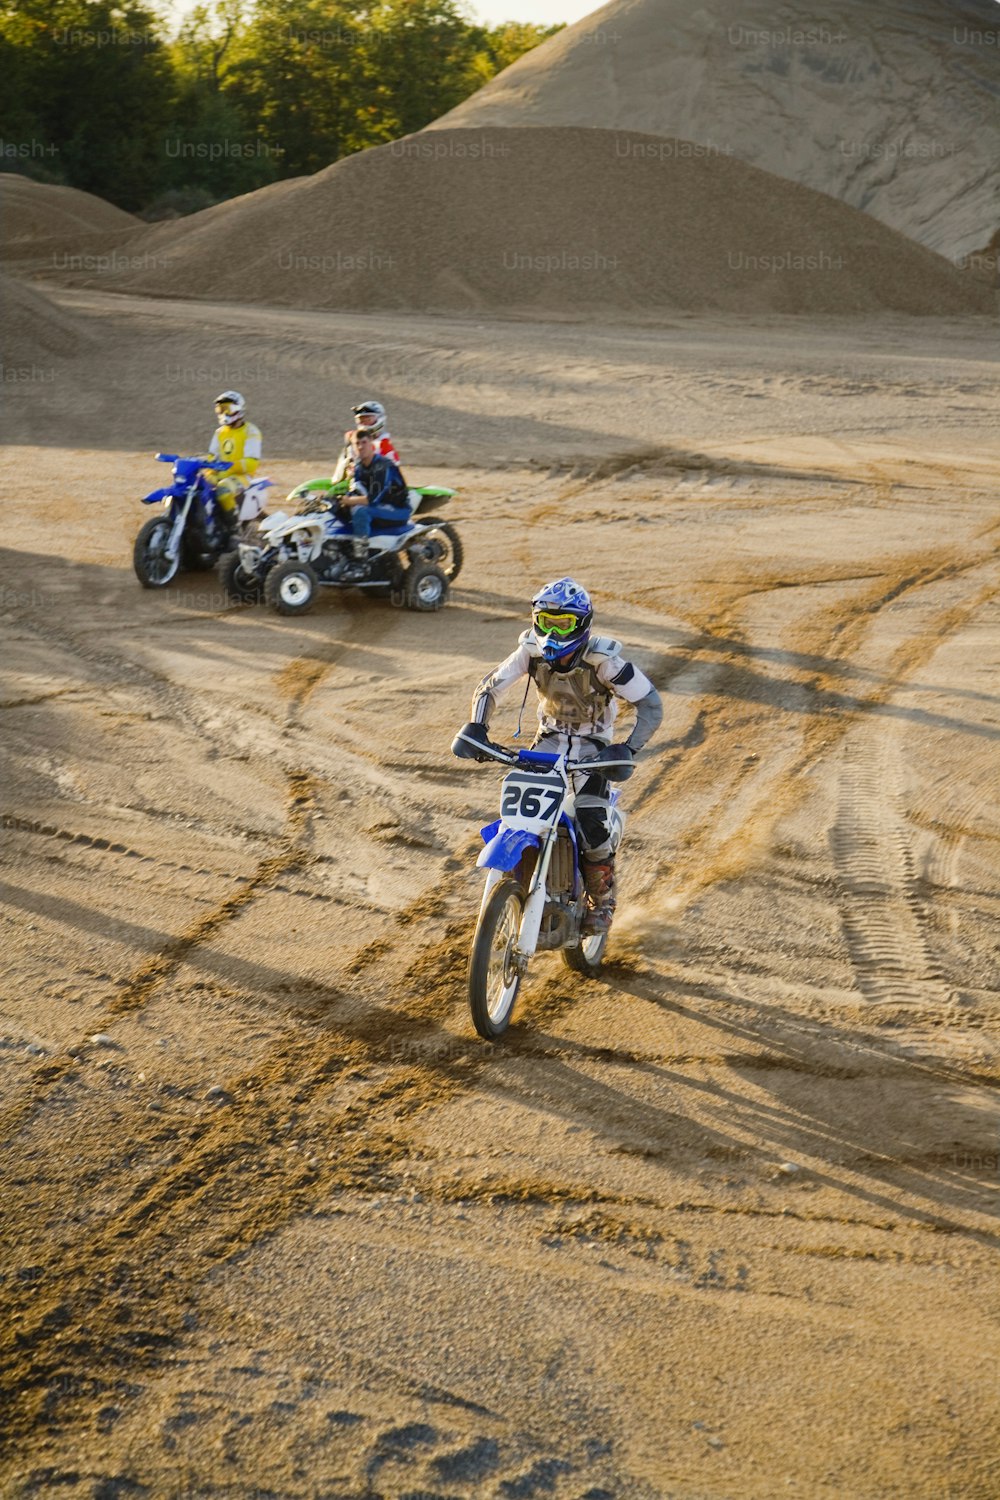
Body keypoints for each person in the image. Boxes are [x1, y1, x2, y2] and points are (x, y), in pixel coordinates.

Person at [453, 578, 662, 933]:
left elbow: (650, 704)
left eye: (562, 623)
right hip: (547, 742)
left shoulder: (604, 662)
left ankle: (602, 899)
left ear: (581, 623)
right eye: (545, 620)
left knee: (589, 816)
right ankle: (522, 878)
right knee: (520, 809)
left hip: (593, 749)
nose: (551, 630)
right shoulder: (530, 652)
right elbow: (491, 687)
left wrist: (627, 748)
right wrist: (477, 726)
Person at [338, 427, 412, 578]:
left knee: (360, 511)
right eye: (356, 443)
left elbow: (372, 500)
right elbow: (356, 490)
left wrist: (348, 500)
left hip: (397, 510)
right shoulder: (358, 466)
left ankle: (361, 563)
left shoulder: (382, 465)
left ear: (371, 443)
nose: (360, 447)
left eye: (363, 442)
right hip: (380, 508)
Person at [205, 390, 262, 527]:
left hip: (242, 477)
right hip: (222, 475)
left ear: (238, 409)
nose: (223, 413)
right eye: (220, 409)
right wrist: (209, 472)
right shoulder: (219, 433)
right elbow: (212, 456)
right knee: (197, 487)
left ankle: (233, 529)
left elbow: (251, 464)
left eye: (227, 409)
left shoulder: (250, 431)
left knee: (223, 491)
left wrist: (228, 466)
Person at [331, 399, 400, 483]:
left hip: (375, 484)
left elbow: (392, 469)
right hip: (352, 480)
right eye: (361, 420)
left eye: (368, 419)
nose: (364, 423)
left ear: (380, 419)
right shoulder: (352, 437)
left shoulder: (384, 444)